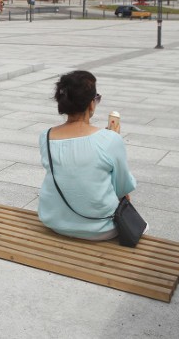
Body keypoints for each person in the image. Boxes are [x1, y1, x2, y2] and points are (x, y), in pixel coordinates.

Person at [38, 70, 138, 241]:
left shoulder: (46, 136)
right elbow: (123, 187)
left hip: (53, 221)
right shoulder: (110, 140)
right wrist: (113, 139)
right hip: (100, 228)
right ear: (92, 104)